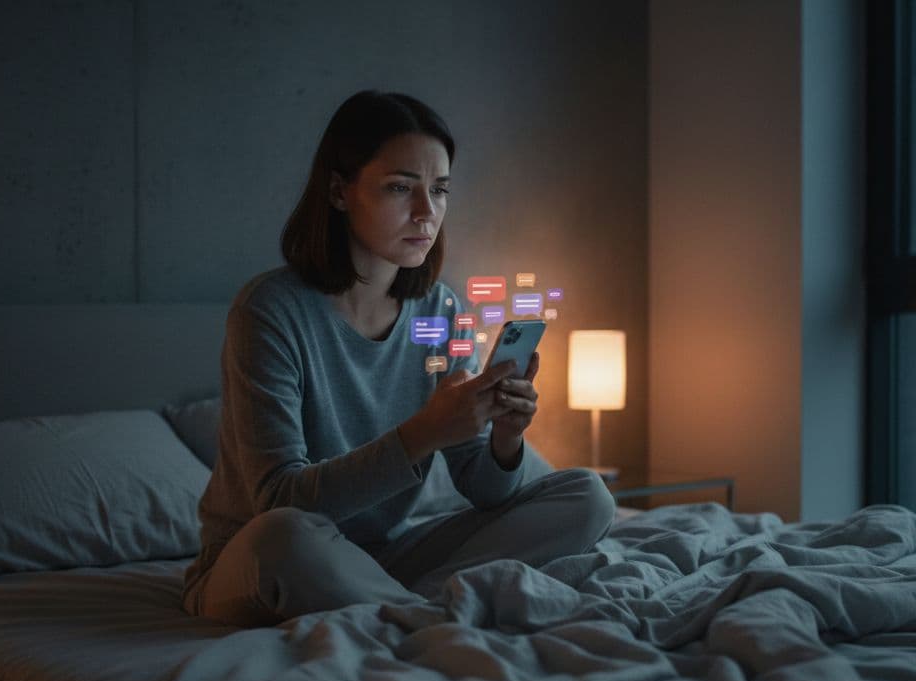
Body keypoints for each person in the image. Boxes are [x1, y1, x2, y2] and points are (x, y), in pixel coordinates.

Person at [180, 90, 617, 627]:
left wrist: (505, 439)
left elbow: (483, 489)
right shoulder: (270, 311)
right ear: (339, 191)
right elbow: (278, 499)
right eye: (399, 188)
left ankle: (407, 610)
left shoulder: (442, 309)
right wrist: (423, 434)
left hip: (386, 559)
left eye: (438, 190)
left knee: (586, 494)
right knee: (282, 536)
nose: (425, 212)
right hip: (265, 559)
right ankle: (430, 614)